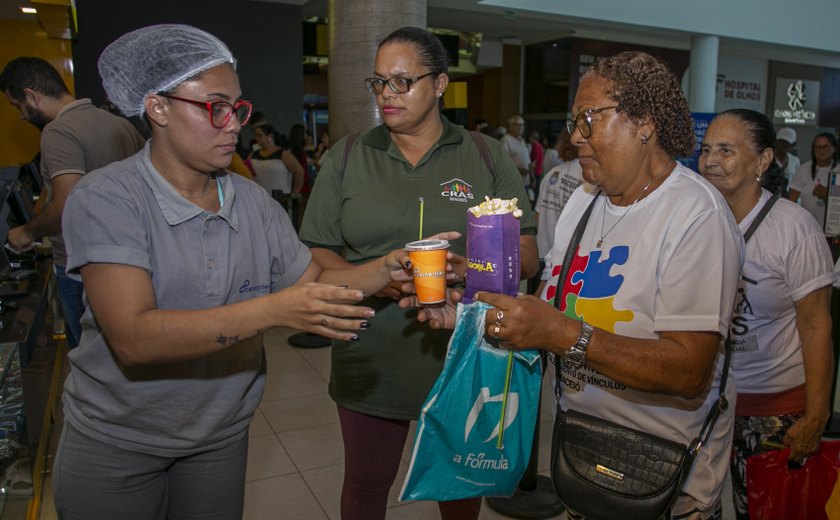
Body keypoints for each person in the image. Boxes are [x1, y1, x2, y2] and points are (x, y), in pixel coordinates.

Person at [54, 24, 417, 520]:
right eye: (216, 108)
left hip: (218, 437)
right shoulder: (107, 198)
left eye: (238, 108)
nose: (234, 125)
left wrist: (388, 267)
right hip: (119, 439)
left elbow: (311, 284)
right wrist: (273, 310)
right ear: (158, 107)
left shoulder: (251, 202)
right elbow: (135, 337)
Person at [411, 51, 743, 519]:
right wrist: (473, 311)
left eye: (589, 119)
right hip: (582, 455)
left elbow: (690, 372)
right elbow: (548, 317)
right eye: (573, 121)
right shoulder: (583, 202)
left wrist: (564, 335)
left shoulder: (696, 216)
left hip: (664, 474)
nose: (573, 138)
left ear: (644, 122)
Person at [299, 26, 538, 520]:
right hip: (370, 354)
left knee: (458, 487)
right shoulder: (346, 158)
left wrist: (467, 268)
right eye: (379, 82)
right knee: (365, 489)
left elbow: (529, 255)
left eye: (403, 81)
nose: (387, 94)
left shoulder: (486, 156)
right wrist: (373, 276)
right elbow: (317, 256)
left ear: (440, 84)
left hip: (463, 357)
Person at [699, 109, 833, 520]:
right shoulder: (694, 220)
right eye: (706, 149)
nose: (709, 160)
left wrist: (816, 414)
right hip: (702, 404)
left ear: (763, 160)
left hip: (772, 411)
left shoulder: (794, 228)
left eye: (726, 149)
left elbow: (816, 325)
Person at [0, 56, 145, 349]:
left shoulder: (58, 131)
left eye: (18, 106)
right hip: (130, 260)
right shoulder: (119, 125)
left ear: (31, 95)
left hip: (79, 269)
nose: (22, 116)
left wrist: (26, 233)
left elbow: (68, 203)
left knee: (90, 359)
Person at [535, 147, 583, 263]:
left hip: (541, 251)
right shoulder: (587, 180)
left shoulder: (552, 173)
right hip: (563, 260)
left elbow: (537, 215)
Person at [788, 133, 838, 231]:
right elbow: (791, 201)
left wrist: (827, 193)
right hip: (807, 228)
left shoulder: (838, 170)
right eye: (817, 147)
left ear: (834, 149)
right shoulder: (804, 169)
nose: (821, 150)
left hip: (833, 230)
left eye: (825, 147)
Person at [248, 123, 304, 198]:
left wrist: (295, 192)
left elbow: (299, 171)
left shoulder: (283, 154)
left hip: (280, 199)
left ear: (269, 136)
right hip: (259, 198)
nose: (257, 138)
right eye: (256, 135)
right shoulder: (253, 154)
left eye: (260, 135)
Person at [501, 114, 530, 181]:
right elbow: (503, 162)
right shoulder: (506, 140)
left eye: (522, 125)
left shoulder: (522, 140)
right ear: (510, 126)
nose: (520, 127)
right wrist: (519, 170)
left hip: (524, 181)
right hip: (512, 182)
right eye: (517, 125)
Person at [774, 127, 800, 194]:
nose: (783, 146)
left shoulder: (795, 161)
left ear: (793, 145)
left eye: (787, 143)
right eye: (781, 142)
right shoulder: (768, 158)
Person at [529, 130, 545, 196]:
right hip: (539, 170)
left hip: (535, 170)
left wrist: (531, 172)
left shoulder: (535, 145)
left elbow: (535, 159)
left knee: (534, 190)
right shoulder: (539, 145)